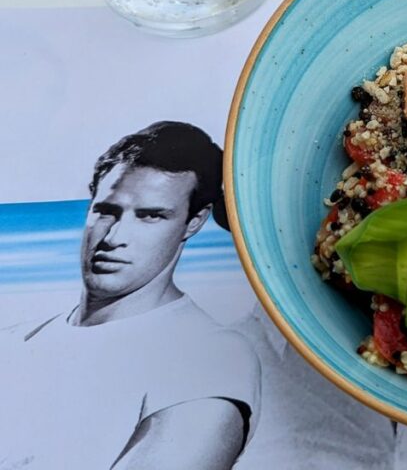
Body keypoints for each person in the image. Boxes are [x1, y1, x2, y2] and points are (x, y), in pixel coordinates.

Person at [0, 122, 260, 470]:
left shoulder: (211, 356)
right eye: (106, 211)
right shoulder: (15, 340)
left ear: (194, 222)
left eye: (151, 216)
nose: (115, 236)